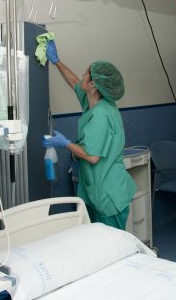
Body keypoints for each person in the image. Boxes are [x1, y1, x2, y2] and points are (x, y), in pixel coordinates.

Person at [42, 40, 136, 230]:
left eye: (86, 73)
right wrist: (56, 61)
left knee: (112, 245)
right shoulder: (95, 101)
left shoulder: (101, 114)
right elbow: (75, 82)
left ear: (93, 85)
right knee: (97, 242)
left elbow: (92, 157)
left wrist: (65, 143)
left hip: (108, 192)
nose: (82, 75)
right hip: (96, 188)